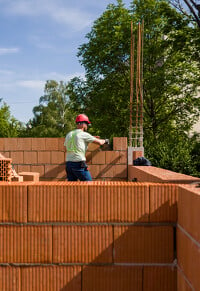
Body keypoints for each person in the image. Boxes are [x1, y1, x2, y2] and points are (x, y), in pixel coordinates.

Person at [64, 114, 106, 181]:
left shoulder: (69, 134)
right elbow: (100, 142)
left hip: (68, 164)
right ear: (83, 124)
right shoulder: (83, 134)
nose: (87, 126)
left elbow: (73, 145)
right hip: (78, 163)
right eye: (86, 124)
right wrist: (105, 141)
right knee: (88, 184)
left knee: (71, 186)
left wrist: (90, 138)